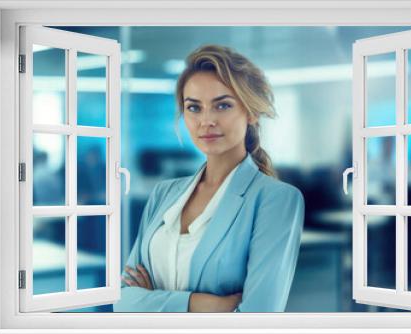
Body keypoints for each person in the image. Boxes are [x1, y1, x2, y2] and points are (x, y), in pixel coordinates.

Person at [113, 45, 305, 313]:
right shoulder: (163, 195)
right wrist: (203, 304)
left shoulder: (276, 200)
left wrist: (152, 301)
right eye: (194, 108)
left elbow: (258, 318)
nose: (206, 121)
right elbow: (123, 302)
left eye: (222, 105)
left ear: (251, 112)